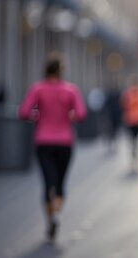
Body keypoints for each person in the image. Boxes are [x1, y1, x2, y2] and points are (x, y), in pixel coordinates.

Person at [18, 52, 87, 241]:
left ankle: (51, 219)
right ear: (61, 70)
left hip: (43, 141)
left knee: (47, 182)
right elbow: (81, 114)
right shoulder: (71, 90)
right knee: (60, 183)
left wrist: (38, 117)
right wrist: (69, 116)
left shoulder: (38, 88)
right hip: (65, 141)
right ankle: (57, 213)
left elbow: (24, 112)